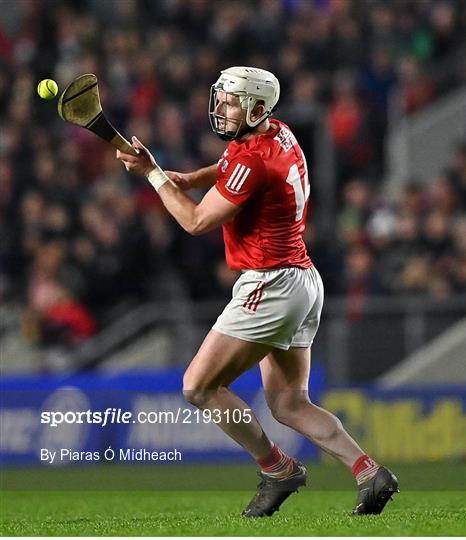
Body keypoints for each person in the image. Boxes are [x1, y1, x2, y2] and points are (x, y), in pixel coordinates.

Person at [117, 66, 399, 517]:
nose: (221, 108)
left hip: (269, 284)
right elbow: (237, 163)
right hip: (304, 281)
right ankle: (368, 470)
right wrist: (192, 178)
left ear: (258, 108)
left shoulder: (252, 158)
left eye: (231, 102)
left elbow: (195, 222)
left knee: (198, 387)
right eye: (222, 99)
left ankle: (277, 468)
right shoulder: (279, 133)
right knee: (289, 402)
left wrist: (155, 176)